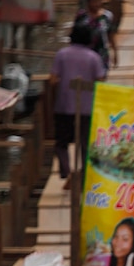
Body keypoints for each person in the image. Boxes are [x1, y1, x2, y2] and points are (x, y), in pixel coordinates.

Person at [50, 23, 106, 179]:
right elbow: (101, 81)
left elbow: (53, 80)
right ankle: (83, 177)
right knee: (85, 144)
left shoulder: (62, 55)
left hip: (64, 105)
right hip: (87, 107)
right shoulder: (94, 57)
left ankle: (66, 172)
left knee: (61, 142)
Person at [73, 0, 117, 73]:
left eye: (99, 0)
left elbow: (111, 35)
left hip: (101, 54)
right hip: (84, 54)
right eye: (94, 0)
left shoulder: (107, 16)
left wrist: (115, 53)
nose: (97, 4)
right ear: (88, 1)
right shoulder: (82, 16)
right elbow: (74, 35)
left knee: (100, 80)